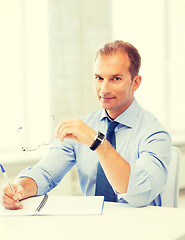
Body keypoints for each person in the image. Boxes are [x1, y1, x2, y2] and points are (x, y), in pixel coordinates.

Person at [1, 40, 171, 209]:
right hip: (92, 228)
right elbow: (45, 173)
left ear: (135, 83)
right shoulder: (84, 127)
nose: (103, 89)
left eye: (115, 79)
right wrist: (20, 188)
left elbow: (140, 194)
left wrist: (97, 141)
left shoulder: (154, 133)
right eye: (99, 78)